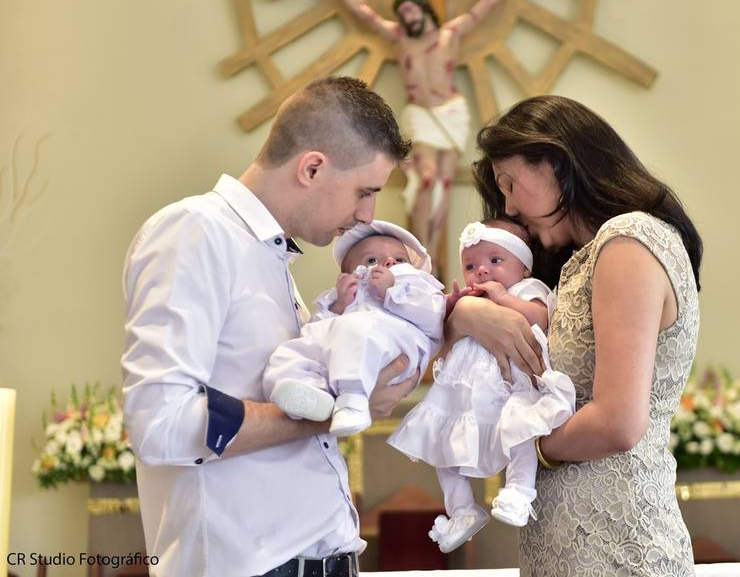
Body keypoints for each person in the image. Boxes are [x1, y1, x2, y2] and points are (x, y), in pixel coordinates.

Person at [121, 76, 416, 577]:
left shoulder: (270, 257)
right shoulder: (196, 232)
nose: (367, 215)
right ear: (313, 167)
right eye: (364, 192)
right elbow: (160, 422)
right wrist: (333, 414)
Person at [444, 95, 704, 576]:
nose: (509, 206)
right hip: (562, 540)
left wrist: (528, 448)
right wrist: (470, 317)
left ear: (557, 164)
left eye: (511, 184)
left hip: (618, 542)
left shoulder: (628, 240)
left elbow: (617, 423)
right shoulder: (576, 264)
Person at [387, 219, 575, 553]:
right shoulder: (469, 301)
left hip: (511, 389)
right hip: (464, 392)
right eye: (471, 266)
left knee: (520, 434)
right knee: (439, 446)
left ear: (524, 267)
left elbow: (540, 318)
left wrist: (503, 299)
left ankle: (519, 491)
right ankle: (461, 509)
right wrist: (454, 306)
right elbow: (438, 331)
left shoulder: (526, 291)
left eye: (495, 261)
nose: (482, 272)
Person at [325, 0, 512, 275]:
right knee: (425, 180)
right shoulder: (400, 37)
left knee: (443, 185)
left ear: (425, 11)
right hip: (421, 116)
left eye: (412, 9)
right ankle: (420, 247)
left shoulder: (450, 35)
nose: (408, 16)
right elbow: (363, 11)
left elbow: (484, 6)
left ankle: (431, 254)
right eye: (404, 12)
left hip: (450, 112)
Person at [263, 220, 445, 437]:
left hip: (393, 345)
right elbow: (319, 329)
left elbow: (434, 319)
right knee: (294, 348)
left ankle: (353, 401)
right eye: (371, 259)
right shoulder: (346, 296)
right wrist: (338, 306)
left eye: (399, 259)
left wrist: (393, 293)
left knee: (357, 328)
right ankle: (308, 391)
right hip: (346, 342)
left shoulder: (415, 284)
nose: (388, 262)